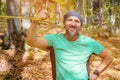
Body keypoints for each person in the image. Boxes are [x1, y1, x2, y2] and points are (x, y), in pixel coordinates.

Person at [26, 10, 113, 80]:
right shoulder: (54, 39)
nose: (73, 24)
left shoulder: (89, 43)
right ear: (64, 24)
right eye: (70, 20)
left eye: (77, 21)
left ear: (80, 26)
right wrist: (34, 22)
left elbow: (108, 56)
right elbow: (32, 42)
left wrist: (96, 73)